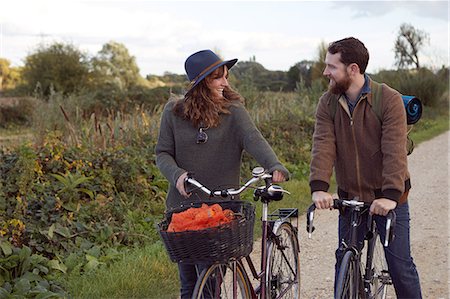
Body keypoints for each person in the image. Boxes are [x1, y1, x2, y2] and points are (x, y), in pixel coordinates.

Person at [155, 49, 289, 298]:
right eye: (218, 78)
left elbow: (253, 139)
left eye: (225, 76)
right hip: (182, 208)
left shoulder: (233, 112)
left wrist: (274, 166)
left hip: (221, 210)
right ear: (200, 83)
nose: (225, 83)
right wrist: (177, 175)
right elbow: (162, 153)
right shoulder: (173, 112)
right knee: (188, 284)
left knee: (209, 286)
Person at [309, 37, 422, 298]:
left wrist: (391, 195)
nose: (326, 72)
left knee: (400, 267)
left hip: (390, 197)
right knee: (344, 263)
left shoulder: (388, 99)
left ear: (353, 69)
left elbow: (394, 150)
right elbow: (323, 144)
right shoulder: (328, 103)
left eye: (331, 67)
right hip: (352, 197)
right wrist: (319, 187)